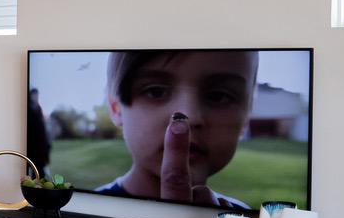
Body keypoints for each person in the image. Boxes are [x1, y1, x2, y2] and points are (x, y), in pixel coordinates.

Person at [91, 50, 258, 208]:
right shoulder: (90, 212)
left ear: (246, 117)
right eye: (155, 92)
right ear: (116, 109)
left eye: (218, 96)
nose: (189, 117)